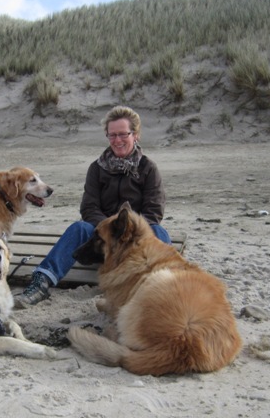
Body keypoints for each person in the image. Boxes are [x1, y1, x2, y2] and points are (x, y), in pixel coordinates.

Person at [14, 105, 172, 308]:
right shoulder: (97, 168)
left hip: (133, 238)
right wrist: (107, 232)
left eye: (123, 134)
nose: (117, 140)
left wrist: (126, 234)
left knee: (159, 232)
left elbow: (153, 211)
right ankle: (41, 282)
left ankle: (165, 286)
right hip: (100, 238)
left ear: (135, 135)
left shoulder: (148, 168)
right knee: (79, 228)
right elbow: (89, 207)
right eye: (112, 135)